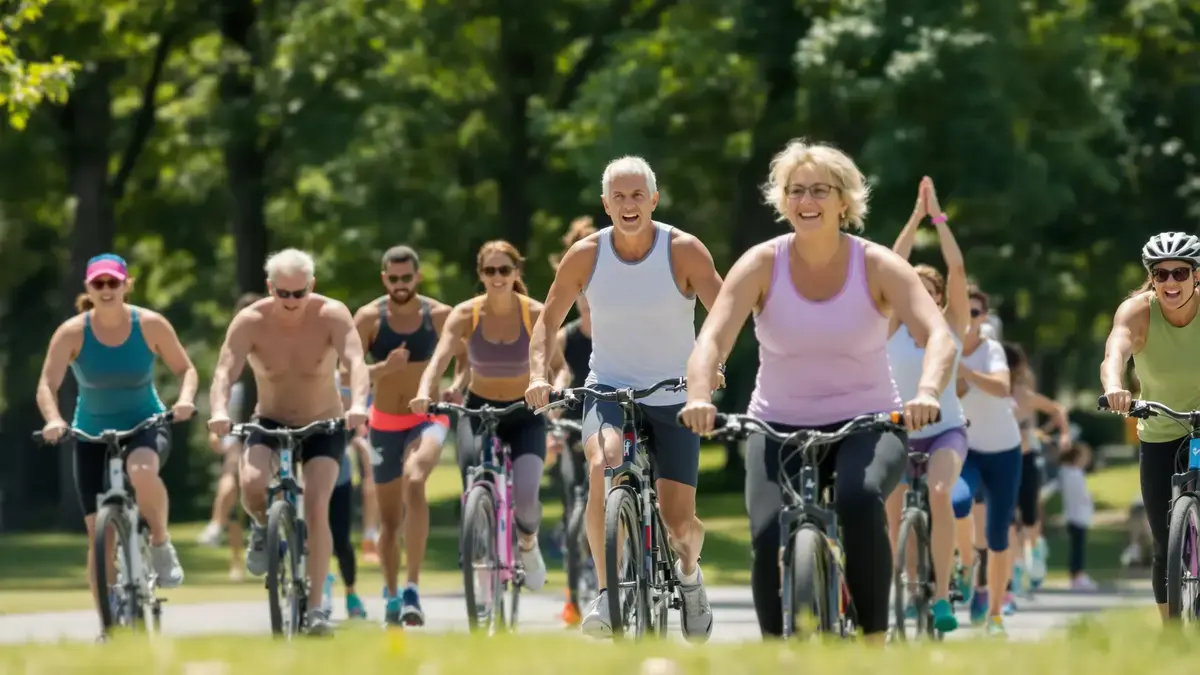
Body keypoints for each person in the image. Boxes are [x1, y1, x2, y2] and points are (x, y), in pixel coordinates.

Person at [676, 140, 952, 644]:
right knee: (766, 534)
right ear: (783, 201)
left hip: (869, 422)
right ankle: (777, 654)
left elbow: (938, 335)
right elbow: (711, 339)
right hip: (775, 423)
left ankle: (872, 642)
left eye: (820, 190)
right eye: (796, 190)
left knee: (858, 500)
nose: (807, 200)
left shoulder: (878, 265)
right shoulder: (761, 264)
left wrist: (928, 391)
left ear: (844, 200)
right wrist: (699, 396)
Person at [526, 156, 724, 642]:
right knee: (603, 464)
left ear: (654, 200)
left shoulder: (683, 250)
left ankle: (690, 576)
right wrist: (537, 375)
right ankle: (607, 593)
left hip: (675, 394)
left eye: (638, 195)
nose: (629, 204)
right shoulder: (586, 255)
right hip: (608, 388)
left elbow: (725, 314)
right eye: (619, 196)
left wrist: (711, 365)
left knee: (679, 524)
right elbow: (548, 320)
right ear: (605, 204)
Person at [208, 248, 370, 636]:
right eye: (283, 293)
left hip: (323, 424)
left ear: (312, 286)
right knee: (251, 485)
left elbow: (355, 362)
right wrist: (218, 410)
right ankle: (262, 527)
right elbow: (225, 371)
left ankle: (315, 610)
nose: (292, 301)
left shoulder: (332, 314)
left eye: (300, 293)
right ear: (270, 288)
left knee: (316, 507)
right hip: (270, 419)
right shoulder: (250, 321)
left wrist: (358, 405)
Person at [35, 253, 195, 610]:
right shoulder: (72, 332)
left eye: (113, 282)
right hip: (91, 434)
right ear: (88, 288)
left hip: (145, 424)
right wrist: (53, 419)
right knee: (99, 536)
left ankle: (160, 542)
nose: (106, 289)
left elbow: (186, 369)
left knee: (141, 470)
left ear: (126, 285)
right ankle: (108, 624)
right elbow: (47, 383)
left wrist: (184, 400)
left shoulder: (150, 324)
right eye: (99, 283)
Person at [412, 240, 555, 594]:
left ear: (516, 272)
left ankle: (527, 544)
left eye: (504, 269)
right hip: (479, 411)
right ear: (480, 274)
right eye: (489, 270)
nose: (497, 276)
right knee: (474, 481)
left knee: (526, 499)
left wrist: (555, 393)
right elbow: (439, 360)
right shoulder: (466, 314)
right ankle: (483, 564)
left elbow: (559, 366)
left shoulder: (535, 313)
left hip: (524, 413)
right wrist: (425, 391)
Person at [1099, 231, 1200, 623]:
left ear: (1196, 275)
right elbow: (1115, 352)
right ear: (1152, 278)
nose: (1171, 282)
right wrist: (1114, 387)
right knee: (1163, 540)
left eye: (1180, 272)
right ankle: (1170, 635)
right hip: (1160, 428)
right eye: (1161, 274)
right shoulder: (1137, 311)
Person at [885, 175, 970, 634]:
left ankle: (939, 597)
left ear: (938, 299)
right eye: (911, 290)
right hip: (897, 431)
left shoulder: (952, 325)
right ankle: (899, 583)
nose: (920, 298)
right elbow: (890, 263)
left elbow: (956, 268)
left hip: (945, 431)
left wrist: (936, 218)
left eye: (928, 292)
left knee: (939, 494)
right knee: (889, 510)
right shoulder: (892, 325)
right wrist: (913, 218)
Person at [353, 245, 454, 626]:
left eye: (406, 278)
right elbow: (348, 373)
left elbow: (467, 357)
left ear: (418, 276)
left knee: (415, 480)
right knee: (389, 520)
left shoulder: (440, 315)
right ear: (384, 279)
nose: (400, 284)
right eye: (393, 278)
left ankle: (412, 588)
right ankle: (392, 594)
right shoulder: (369, 318)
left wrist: (457, 386)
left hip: (428, 418)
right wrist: (383, 367)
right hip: (384, 423)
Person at [949, 285, 1024, 635]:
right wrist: (963, 376)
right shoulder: (943, 347)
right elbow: (950, 392)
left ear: (984, 319)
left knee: (998, 535)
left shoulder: (991, 349)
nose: (969, 319)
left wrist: (965, 372)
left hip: (1005, 451)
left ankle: (995, 614)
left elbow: (1002, 388)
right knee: (956, 502)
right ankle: (967, 563)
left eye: (976, 313)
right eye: (964, 311)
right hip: (966, 448)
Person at [544, 216, 597, 626]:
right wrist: (553, 415)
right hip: (576, 429)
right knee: (573, 507)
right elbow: (559, 377)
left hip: (615, 421)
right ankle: (573, 596)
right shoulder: (568, 336)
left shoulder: (620, 332)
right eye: (581, 293)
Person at [197, 292, 263, 581]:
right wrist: (217, 426)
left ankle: (219, 526)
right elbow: (222, 385)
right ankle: (225, 540)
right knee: (233, 475)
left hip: (270, 414)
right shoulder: (236, 345)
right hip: (240, 418)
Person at [1007, 342, 1071, 597]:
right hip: (1003, 458)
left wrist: (1064, 434)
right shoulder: (991, 392)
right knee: (1009, 519)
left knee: (1030, 515)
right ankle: (1016, 568)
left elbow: (1057, 409)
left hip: (1026, 457)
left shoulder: (1025, 395)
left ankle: (1034, 552)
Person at [321, 449, 368, 619]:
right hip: (308, 481)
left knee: (341, 541)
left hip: (339, 478)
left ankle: (351, 593)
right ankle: (321, 588)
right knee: (312, 538)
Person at [1057, 441, 1097, 591]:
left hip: (1075, 515)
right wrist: (1089, 497)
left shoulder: (1069, 473)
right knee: (1077, 548)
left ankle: (1077, 575)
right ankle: (1077, 576)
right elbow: (1079, 494)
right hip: (1077, 516)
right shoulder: (1074, 474)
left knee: (1077, 547)